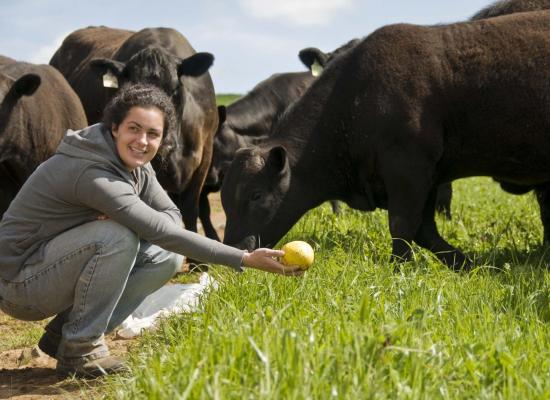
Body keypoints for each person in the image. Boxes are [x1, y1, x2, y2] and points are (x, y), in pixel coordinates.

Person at [0, 84, 303, 378]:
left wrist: (142, 225)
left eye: (153, 134)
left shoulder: (134, 163)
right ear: (114, 127)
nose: (142, 141)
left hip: (51, 266)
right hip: (19, 284)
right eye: (134, 128)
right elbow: (160, 228)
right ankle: (81, 349)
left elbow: (170, 217)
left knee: (167, 255)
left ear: (163, 139)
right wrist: (246, 258)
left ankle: (62, 338)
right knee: (116, 237)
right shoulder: (91, 170)